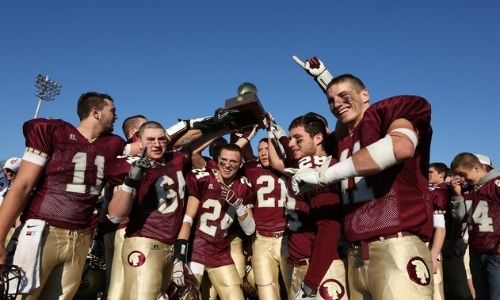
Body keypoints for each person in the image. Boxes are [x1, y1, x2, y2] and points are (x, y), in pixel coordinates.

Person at [292, 64, 434, 300]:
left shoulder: (389, 112)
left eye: (344, 97)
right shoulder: (341, 140)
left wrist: (324, 176)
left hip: (396, 246)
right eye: (331, 100)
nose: (336, 104)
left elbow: (400, 147)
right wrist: (324, 79)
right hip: (355, 255)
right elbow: (341, 120)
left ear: (365, 94)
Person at [0, 92, 125, 299]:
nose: (115, 116)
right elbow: (22, 186)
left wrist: (190, 126)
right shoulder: (53, 131)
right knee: (22, 295)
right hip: (43, 232)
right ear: (95, 112)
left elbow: (152, 143)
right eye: (112, 110)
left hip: (81, 237)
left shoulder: (113, 144)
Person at [105, 121, 187, 299]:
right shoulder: (130, 165)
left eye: (161, 139)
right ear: (139, 142)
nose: (157, 144)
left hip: (168, 247)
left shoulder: (174, 160)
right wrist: (130, 181)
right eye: (150, 140)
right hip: (143, 243)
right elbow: (114, 215)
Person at [173, 143, 256, 300]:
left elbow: (250, 229)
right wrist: (179, 257)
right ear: (217, 160)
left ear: (241, 164)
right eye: (224, 160)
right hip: (195, 251)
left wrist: (238, 205)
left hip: (220, 253)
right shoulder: (204, 178)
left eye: (233, 161)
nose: (227, 164)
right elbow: (187, 220)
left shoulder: (243, 187)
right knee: (187, 296)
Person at [104, 114, 148, 300]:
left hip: (111, 228)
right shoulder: (124, 154)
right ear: (134, 133)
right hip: (125, 228)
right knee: (123, 287)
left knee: (116, 284)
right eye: (146, 127)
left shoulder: (116, 152)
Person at [242, 138, 289, 299]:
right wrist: (245, 136)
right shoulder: (251, 168)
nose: (263, 152)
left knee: (294, 288)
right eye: (260, 149)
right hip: (262, 238)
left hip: (287, 237)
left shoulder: (289, 165)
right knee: (266, 293)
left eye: (267, 148)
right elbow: (235, 150)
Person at [450, 152, 500, 300]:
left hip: (495, 253)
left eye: (463, 174)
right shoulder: (467, 190)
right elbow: (459, 217)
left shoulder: (496, 184)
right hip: (476, 251)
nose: (462, 179)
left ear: (477, 168)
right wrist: (457, 195)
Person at [428, 162, 449, 300]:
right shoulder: (433, 190)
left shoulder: (440, 192)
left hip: (432, 243)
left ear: (441, 174)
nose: (427, 175)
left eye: (431, 172)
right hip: (426, 242)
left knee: (435, 288)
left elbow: (440, 227)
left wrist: (434, 255)